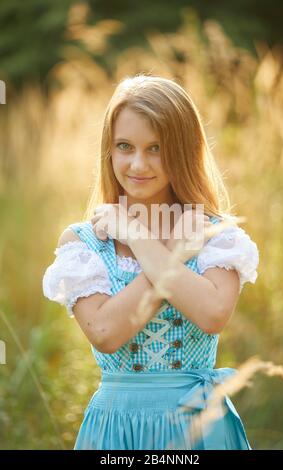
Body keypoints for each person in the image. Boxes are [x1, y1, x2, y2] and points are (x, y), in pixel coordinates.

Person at [42, 74, 259, 450]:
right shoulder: (84, 243)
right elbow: (106, 334)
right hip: (117, 430)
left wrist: (139, 238)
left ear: (183, 150)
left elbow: (211, 313)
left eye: (155, 148)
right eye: (124, 146)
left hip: (200, 429)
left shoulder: (214, 236)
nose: (138, 163)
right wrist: (171, 255)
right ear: (108, 151)